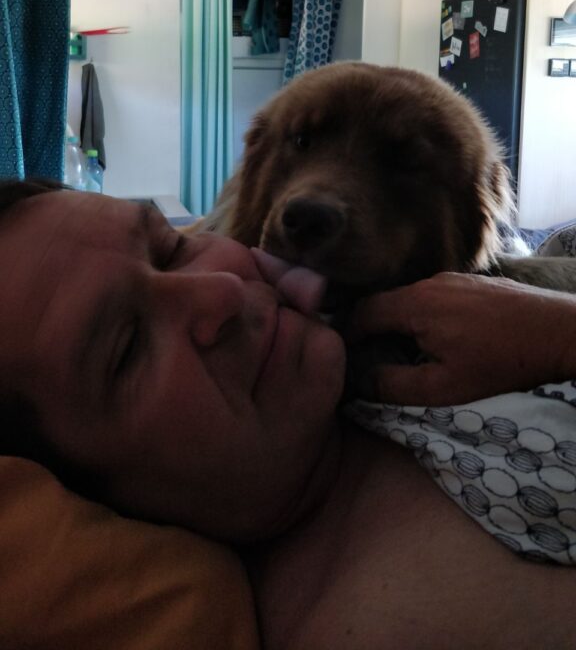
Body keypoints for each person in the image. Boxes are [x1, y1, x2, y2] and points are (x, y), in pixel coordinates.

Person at [1, 179, 576, 649]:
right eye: (127, 349)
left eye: (172, 249)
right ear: (86, 494)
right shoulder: (403, 621)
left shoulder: (438, 342)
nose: (222, 289)